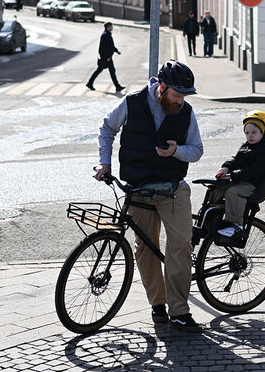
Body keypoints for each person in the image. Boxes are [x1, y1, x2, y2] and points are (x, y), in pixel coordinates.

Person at [94, 61, 205, 332]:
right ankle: (158, 304)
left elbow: (197, 150)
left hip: (172, 187)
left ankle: (179, 312)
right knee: (145, 246)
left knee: (179, 244)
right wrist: (104, 163)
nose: (180, 101)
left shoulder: (186, 112)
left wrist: (177, 150)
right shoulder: (132, 103)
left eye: (184, 96)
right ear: (161, 88)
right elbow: (107, 128)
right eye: (177, 95)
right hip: (139, 188)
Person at [211, 110, 265, 238]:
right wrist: (226, 167)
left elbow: (254, 170)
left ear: (264, 132)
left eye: (254, 132)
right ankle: (213, 219)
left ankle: (236, 225)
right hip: (241, 180)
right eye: (247, 133)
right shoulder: (247, 146)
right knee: (217, 189)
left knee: (233, 193)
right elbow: (236, 160)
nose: (249, 136)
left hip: (253, 184)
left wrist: (233, 175)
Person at [86, 22, 123, 92]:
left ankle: (90, 83)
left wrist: (116, 51)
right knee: (109, 71)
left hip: (107, 57)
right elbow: (103, 48)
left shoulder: (107, 34)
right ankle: (117, 86)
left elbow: (110, 46)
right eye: (111, 26)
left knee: (106, 71)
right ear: (108, 27)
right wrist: (108, 57)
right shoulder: (105, 35)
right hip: (106, 58)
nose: (112, 28)